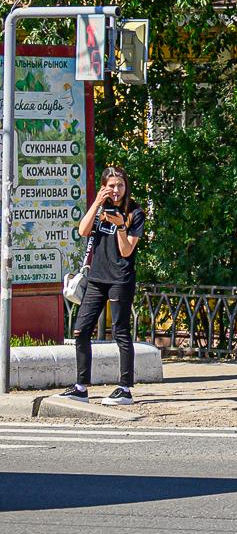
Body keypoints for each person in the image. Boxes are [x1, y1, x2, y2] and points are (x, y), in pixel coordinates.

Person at [61, 166, 145, 405]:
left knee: (120, 332)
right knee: (81, 330)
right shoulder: (99, 210)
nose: (116, 190)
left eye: (120, 185)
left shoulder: (134, 212)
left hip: (120, 279)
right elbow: (82, 230)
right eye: (111, 186)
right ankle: (80, 386)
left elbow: (126, 250)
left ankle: (125, 388)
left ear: (126, 186)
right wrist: (97, 203)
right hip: (97, 278)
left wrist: (120, 225)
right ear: (104, 187)